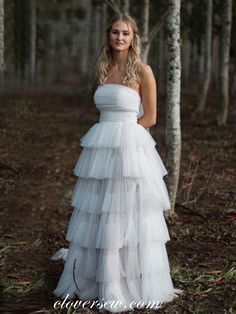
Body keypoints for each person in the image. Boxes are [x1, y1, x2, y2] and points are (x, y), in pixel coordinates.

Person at [51, 12, 183, 313]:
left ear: (133, 37)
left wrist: (125, 135)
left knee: (124, 210)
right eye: (115, 32)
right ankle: (97, 277)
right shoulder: (102, 69)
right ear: (108, 36)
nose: (119, 37)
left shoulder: (143, 71)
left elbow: (150, 117)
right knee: (98, 208)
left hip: (130, 144)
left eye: (125, 33)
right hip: (101, 143)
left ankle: (123, 280)